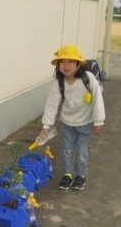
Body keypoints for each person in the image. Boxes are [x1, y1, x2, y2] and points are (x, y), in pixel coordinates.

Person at [38, 44, 104, 191]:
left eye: (70, 61)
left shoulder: (88, 78)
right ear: (58, 65)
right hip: (67, 123)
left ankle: (80, 176)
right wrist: (46, 125)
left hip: (86, 122)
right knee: (67, 150)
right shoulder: (59, 82)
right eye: (62, 62)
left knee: (81, 152)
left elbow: (98, 99)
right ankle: (67, 174)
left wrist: (99, 120)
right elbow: (52, 104)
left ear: (78, 63)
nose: (66, 65)